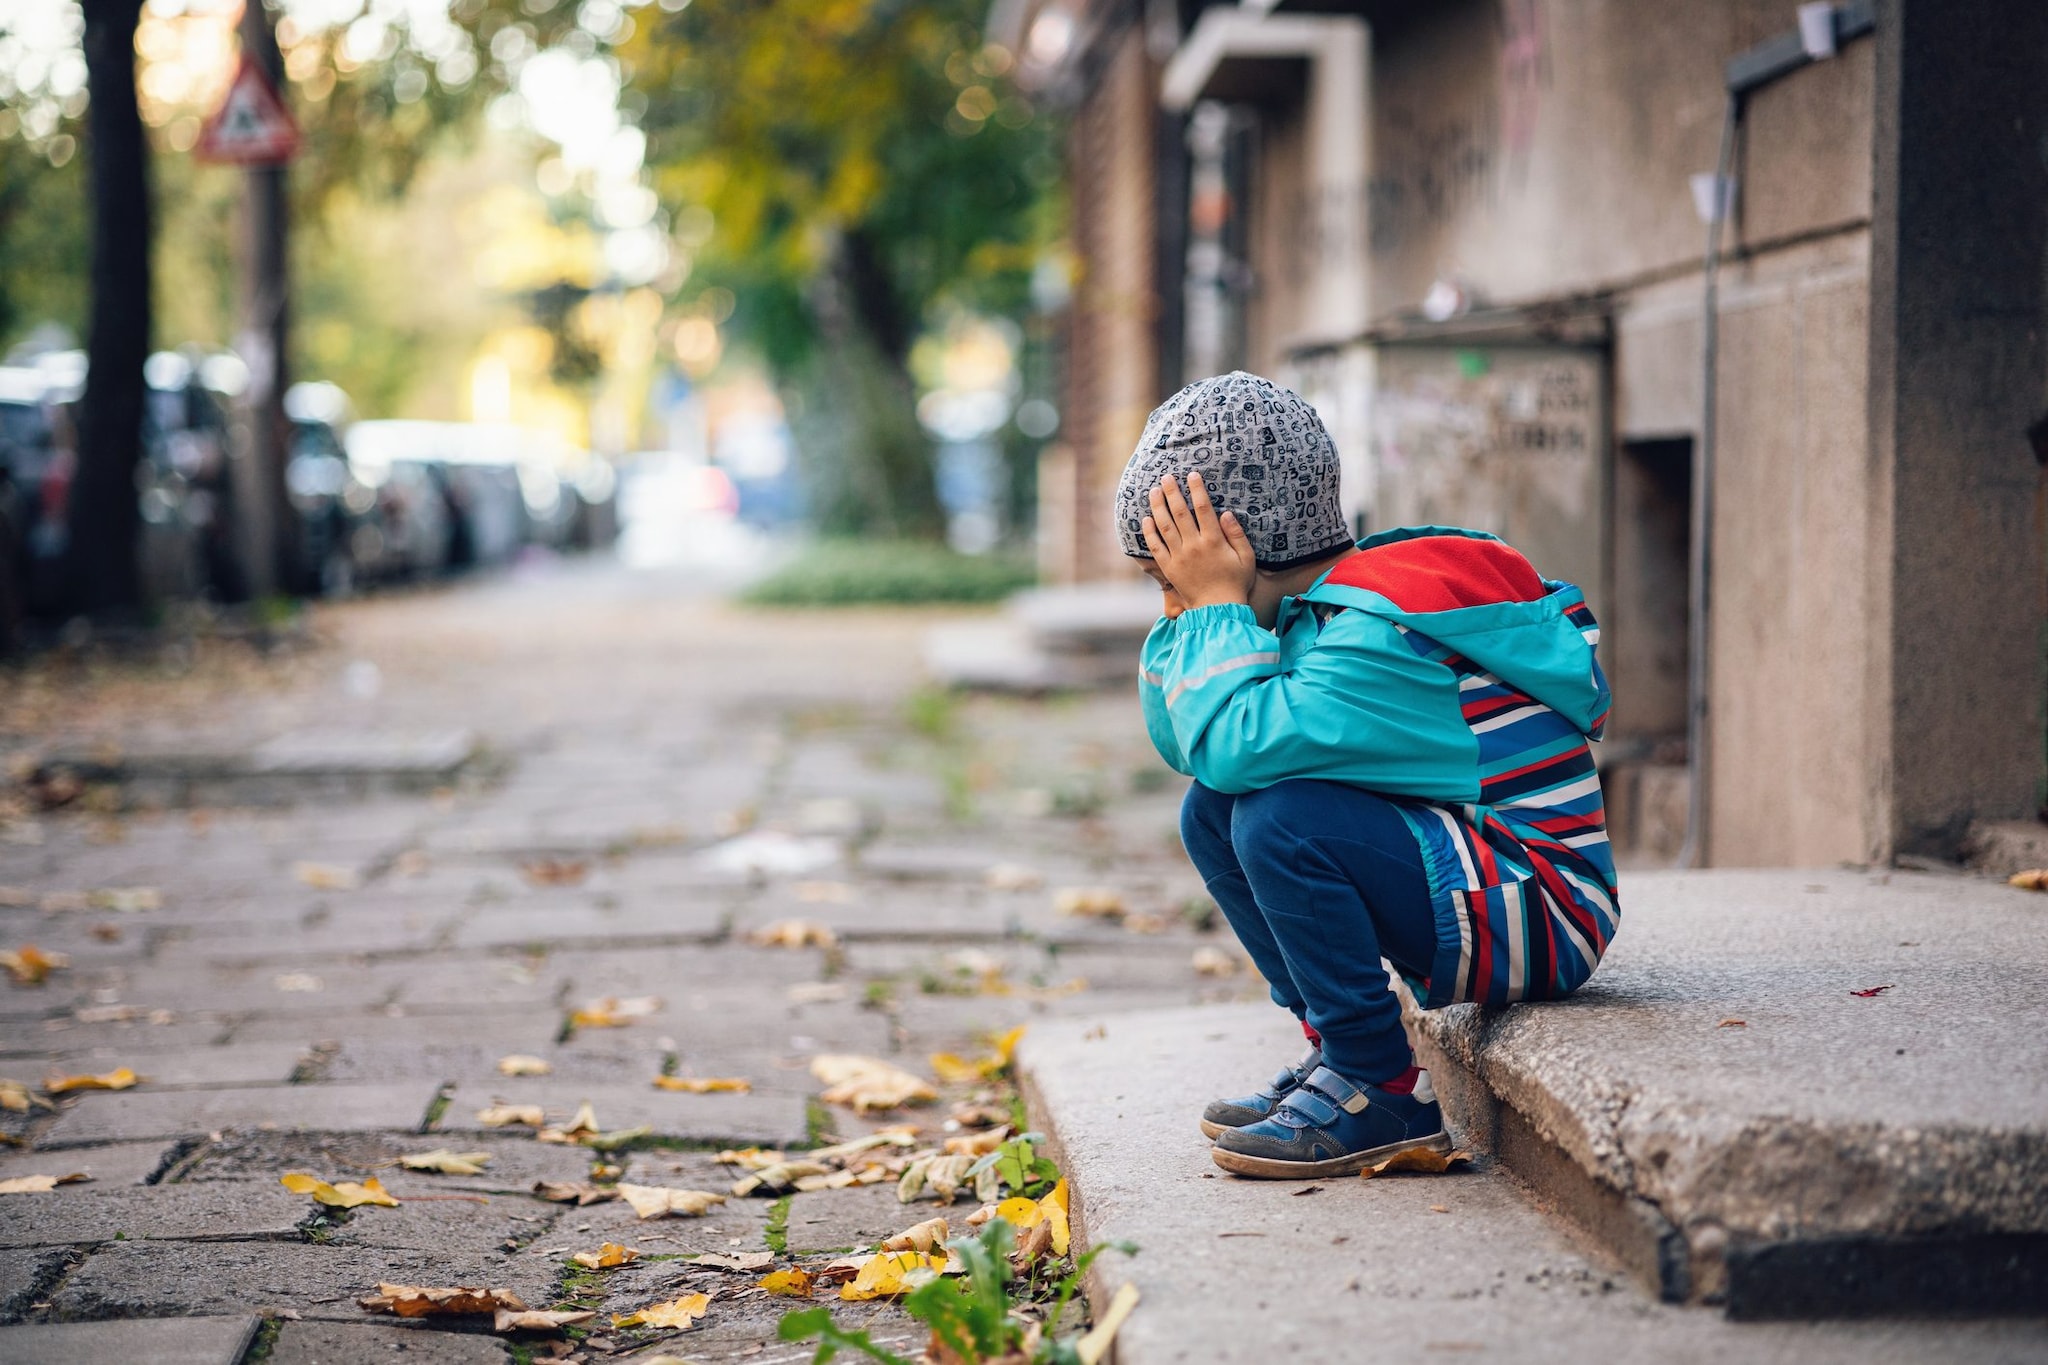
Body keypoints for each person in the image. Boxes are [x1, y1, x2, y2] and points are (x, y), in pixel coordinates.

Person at [1120, 371, 1620, 1179]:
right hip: (1480, 875)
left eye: (1167, 580)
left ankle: (1376, 1080)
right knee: (1212, 811)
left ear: (1242, 546)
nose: (1171, 606)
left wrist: (1213, 609)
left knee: (1276, 816)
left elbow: (1235, 744)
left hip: (1544, 907)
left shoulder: (1375, 636)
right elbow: (1190, 745)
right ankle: (1336, 1049)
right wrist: (1204, 609)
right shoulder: (1318, 609)